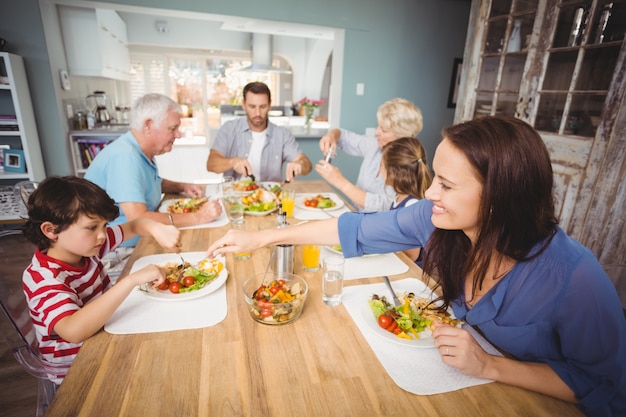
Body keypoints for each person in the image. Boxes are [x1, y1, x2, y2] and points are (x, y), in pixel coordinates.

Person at [206, 116, 626, 416]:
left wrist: (490, 365)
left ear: (499, 196)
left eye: (445, 184)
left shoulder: (575, 278)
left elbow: (603, 386)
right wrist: (262, 237)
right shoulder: (435, 218)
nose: (428, 193)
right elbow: (354, 228)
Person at [22, 176, 178, 384]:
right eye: (92, 227)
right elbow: (74, 331)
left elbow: (136, 225)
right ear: (51, 230)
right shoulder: (42, 277)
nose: (103, 235)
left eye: (104, 226)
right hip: (79, 369)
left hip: (107, 334)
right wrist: (130, 281)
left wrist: (157, 229)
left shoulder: (87, 247)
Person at [85, 93, 222, 247]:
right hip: (124, 250)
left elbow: (147, 182)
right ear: (148, 125)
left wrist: (182, 186)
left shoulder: (139, 150)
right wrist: (198, 217)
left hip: (145, 239)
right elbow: (139, 218)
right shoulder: (125, 157)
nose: (178, 134)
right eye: (173, 128)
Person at [316, 98, 423, 212]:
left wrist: (340, 182)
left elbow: (385, 205)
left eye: (384, 130)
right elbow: (344, 136)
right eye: (378, 126)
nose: (376, 132)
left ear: (402, 136)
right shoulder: (375, 145)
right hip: (353, 213)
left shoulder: (406, 166)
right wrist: (331, 136)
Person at [206, 82, 312, 182]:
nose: (257, 113)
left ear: (270, 105)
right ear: (243, 104)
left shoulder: (282, 134)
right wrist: (232, 162)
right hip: (235, 195)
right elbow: (211, 164)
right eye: (252, 106)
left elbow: (307, 165)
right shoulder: (229, 129)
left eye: (263, 106)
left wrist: (300, 164)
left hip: (270, 196)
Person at [380, 136, 431, 264]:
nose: (379, 169)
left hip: (413, 272)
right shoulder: (399, 197)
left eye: (381, 165)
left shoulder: (411, 206)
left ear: (392, 173)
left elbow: (411, 255)